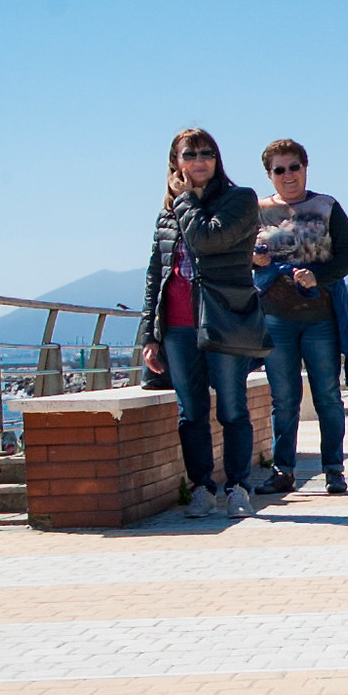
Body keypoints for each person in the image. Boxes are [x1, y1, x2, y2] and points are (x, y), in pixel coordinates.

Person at [137, 127, 266, 518]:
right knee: (190, 413)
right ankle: (201, 488)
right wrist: (149, 334)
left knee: (232, 408)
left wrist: (186, 201)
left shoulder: (239, 200)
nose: (198, 161)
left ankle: (239, 486)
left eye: (206, 153)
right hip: (177, 325)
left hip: (224, 320)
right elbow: (155, 273)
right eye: (189, 154)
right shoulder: (168, 212)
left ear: (218, 158)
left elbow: (207, 240)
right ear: (175, 162)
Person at [252, 139, 348, 496]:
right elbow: (238, 257)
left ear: (305, 168)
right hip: (276, 315)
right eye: (279, 170)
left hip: (320, 315)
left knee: (328, 394)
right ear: (269, 175)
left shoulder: (326, 206)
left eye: (293, 167)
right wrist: (255, 261)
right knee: (283, 398)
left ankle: (334, 468)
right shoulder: (257, 210)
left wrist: (319, 276)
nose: (287, 176)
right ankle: (283, 470)